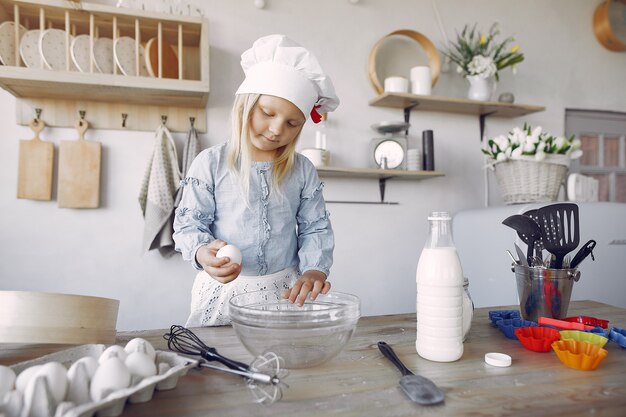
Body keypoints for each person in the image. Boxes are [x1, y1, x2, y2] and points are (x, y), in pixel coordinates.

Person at [173, 34, 340, 326]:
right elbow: (189, 224)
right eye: (267, 113)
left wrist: (315, 270)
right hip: (224, 292)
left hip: (284, 293)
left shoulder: (302, 170)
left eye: (292, 123)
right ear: (245, 106)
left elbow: (316, 227)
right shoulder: (209, 163)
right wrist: (201, 252)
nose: (277, 130)